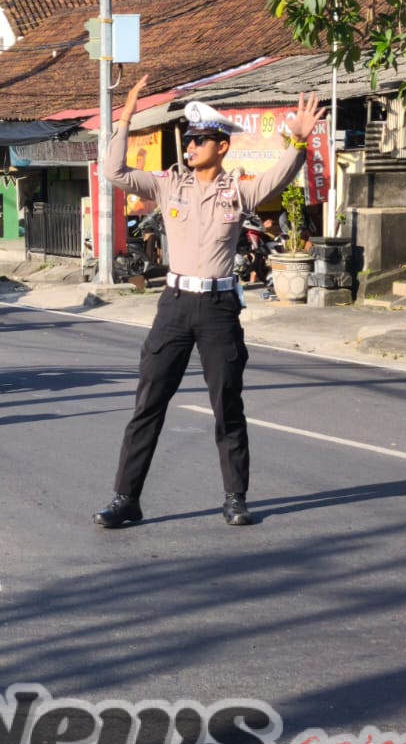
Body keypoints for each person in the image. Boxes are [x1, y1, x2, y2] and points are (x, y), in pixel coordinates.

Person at [94, 75, 326, 529]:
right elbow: (114, 173)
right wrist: (124, 119)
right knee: (148, 405)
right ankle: (126, 498)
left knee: (227, 403)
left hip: (218, 309)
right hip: (175, 306)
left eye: (200, 139)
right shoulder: (167, 186)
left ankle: (235, 498)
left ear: (222, 147)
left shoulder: (237, 192)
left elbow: (280, 175)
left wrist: (298, 141)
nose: (190, 144)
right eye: (189, 138)